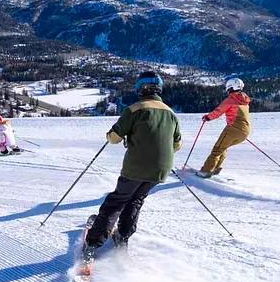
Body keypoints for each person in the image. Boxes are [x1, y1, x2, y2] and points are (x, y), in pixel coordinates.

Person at [81, 71, 182, 268]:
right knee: (136, 199)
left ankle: (93, 243)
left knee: (116, 201)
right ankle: (123, 235)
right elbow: (177, 145)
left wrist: (112, 133)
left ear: (140, 88)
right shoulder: (171, 113)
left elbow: (114, 138)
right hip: (161, 170)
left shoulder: (135, 109)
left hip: (136, 167)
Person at [196, 78, 250, 178]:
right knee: (223, 147)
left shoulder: (230, 99)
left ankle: (206, 171)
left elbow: (218, 111)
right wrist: (242, 131)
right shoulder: (245, 101)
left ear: (230, 88)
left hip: (233, 129)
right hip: (245, 131)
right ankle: (215, 168)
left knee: (217, 149)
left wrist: (208, 117)